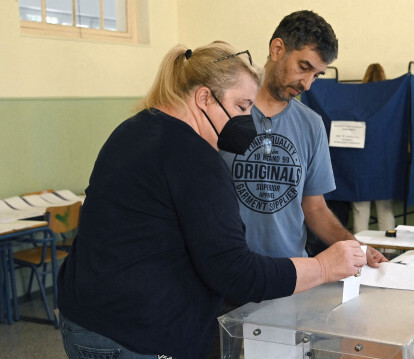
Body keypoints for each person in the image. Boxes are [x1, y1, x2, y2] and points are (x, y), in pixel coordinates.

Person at [57, 41, 367, 359]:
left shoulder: (133, 129)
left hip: (85, 320)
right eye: (242, 106)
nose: (248, 120)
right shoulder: (195, 157)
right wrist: (323, 266)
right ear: (204, 97)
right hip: (138, 334)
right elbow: (234, 273)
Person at [219, 10, 389, 264]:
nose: (308, 84)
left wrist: (356, 247)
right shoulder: (224, 112)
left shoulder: (312, 124)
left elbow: (315, 207)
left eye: (317, 74)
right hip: (229, 273)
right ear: (277, 49)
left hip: (292, 275)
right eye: (304, 67)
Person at [351, 63, 396, 234]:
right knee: (385, 209)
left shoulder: (356, 99)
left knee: (360, 209)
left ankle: (359, 253)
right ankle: (390, 250)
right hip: (384, 161)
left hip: (360, 162)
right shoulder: (390, 99)